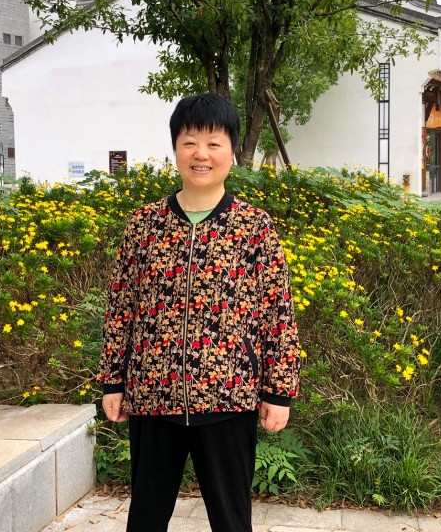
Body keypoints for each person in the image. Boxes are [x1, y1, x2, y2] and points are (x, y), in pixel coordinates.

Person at [97, 93, 300, 532]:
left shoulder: (254, 227)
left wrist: (279, 391)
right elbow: (121, 307)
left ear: (231, 151)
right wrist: (113, 380)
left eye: (213, 143)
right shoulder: (144, 225)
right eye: (190, 142)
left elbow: (277, 313)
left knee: (231, 522)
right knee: (145, 520)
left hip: (229, 398)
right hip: (153, 396)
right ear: (175, 148)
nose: (201, 154)